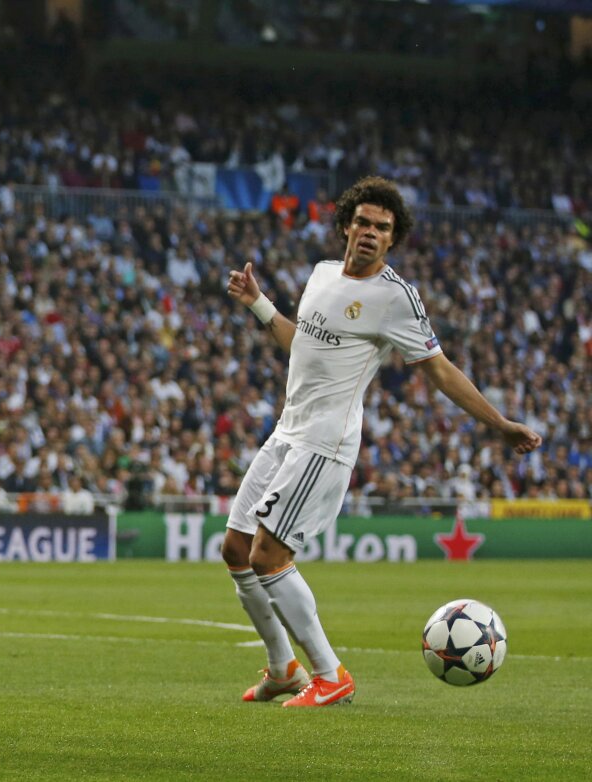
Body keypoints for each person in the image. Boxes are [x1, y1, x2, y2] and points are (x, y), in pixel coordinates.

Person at [223, 176, 541, 707]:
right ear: (347, 224)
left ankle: (330, 676)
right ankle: (284, 669)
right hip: (288, 429)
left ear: (393, 239)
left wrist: (500, 423)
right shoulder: (323, 274)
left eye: (383, 228)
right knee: (235, 548)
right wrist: (259, 304)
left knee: (268, 554)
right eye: (364, 222)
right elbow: (301, 342)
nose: (371, 233)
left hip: (325, 443)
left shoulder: (395, 297)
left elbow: (438, 369)